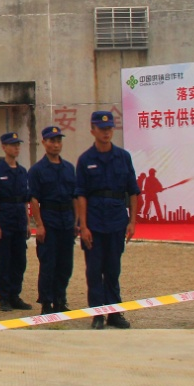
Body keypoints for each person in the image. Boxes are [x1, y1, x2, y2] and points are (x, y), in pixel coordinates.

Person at [74, 111, 140, 329]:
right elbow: (81, 195)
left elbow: (133, 191)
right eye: (102, 129)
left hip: (116, 221)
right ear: (93, 130)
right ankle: (97, 314)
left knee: (113, 269)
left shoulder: (123, 157)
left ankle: (114, 312)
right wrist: (83, 226)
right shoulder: (85, 160)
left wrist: (132, 222)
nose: (106, 132)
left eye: (110, 128)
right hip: (93, 222)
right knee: (94, 270)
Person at [28, 126, 78, 314]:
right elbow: (34, 199)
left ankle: (60, 298)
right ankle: (47, 303)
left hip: (67, 219)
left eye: (58, 141)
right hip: (49, 220)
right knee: (48, 263)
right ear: (44, 143)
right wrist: (39, 225)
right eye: (52, 141)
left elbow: (75, 196)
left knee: (66, 264)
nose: (56, 144)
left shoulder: (68, 168)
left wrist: (76, 221)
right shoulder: (37, 170)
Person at [0, 133, 32, 311]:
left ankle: (15, 294)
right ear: (4, 147)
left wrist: (28, 223)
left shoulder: (22, 172)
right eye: (12, 144)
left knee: (19, 261)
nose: (16, 147)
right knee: (3, 260)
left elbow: (24, 200)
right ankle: (4, 297)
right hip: (4, 220)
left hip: (19, 220)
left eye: (17, 144)